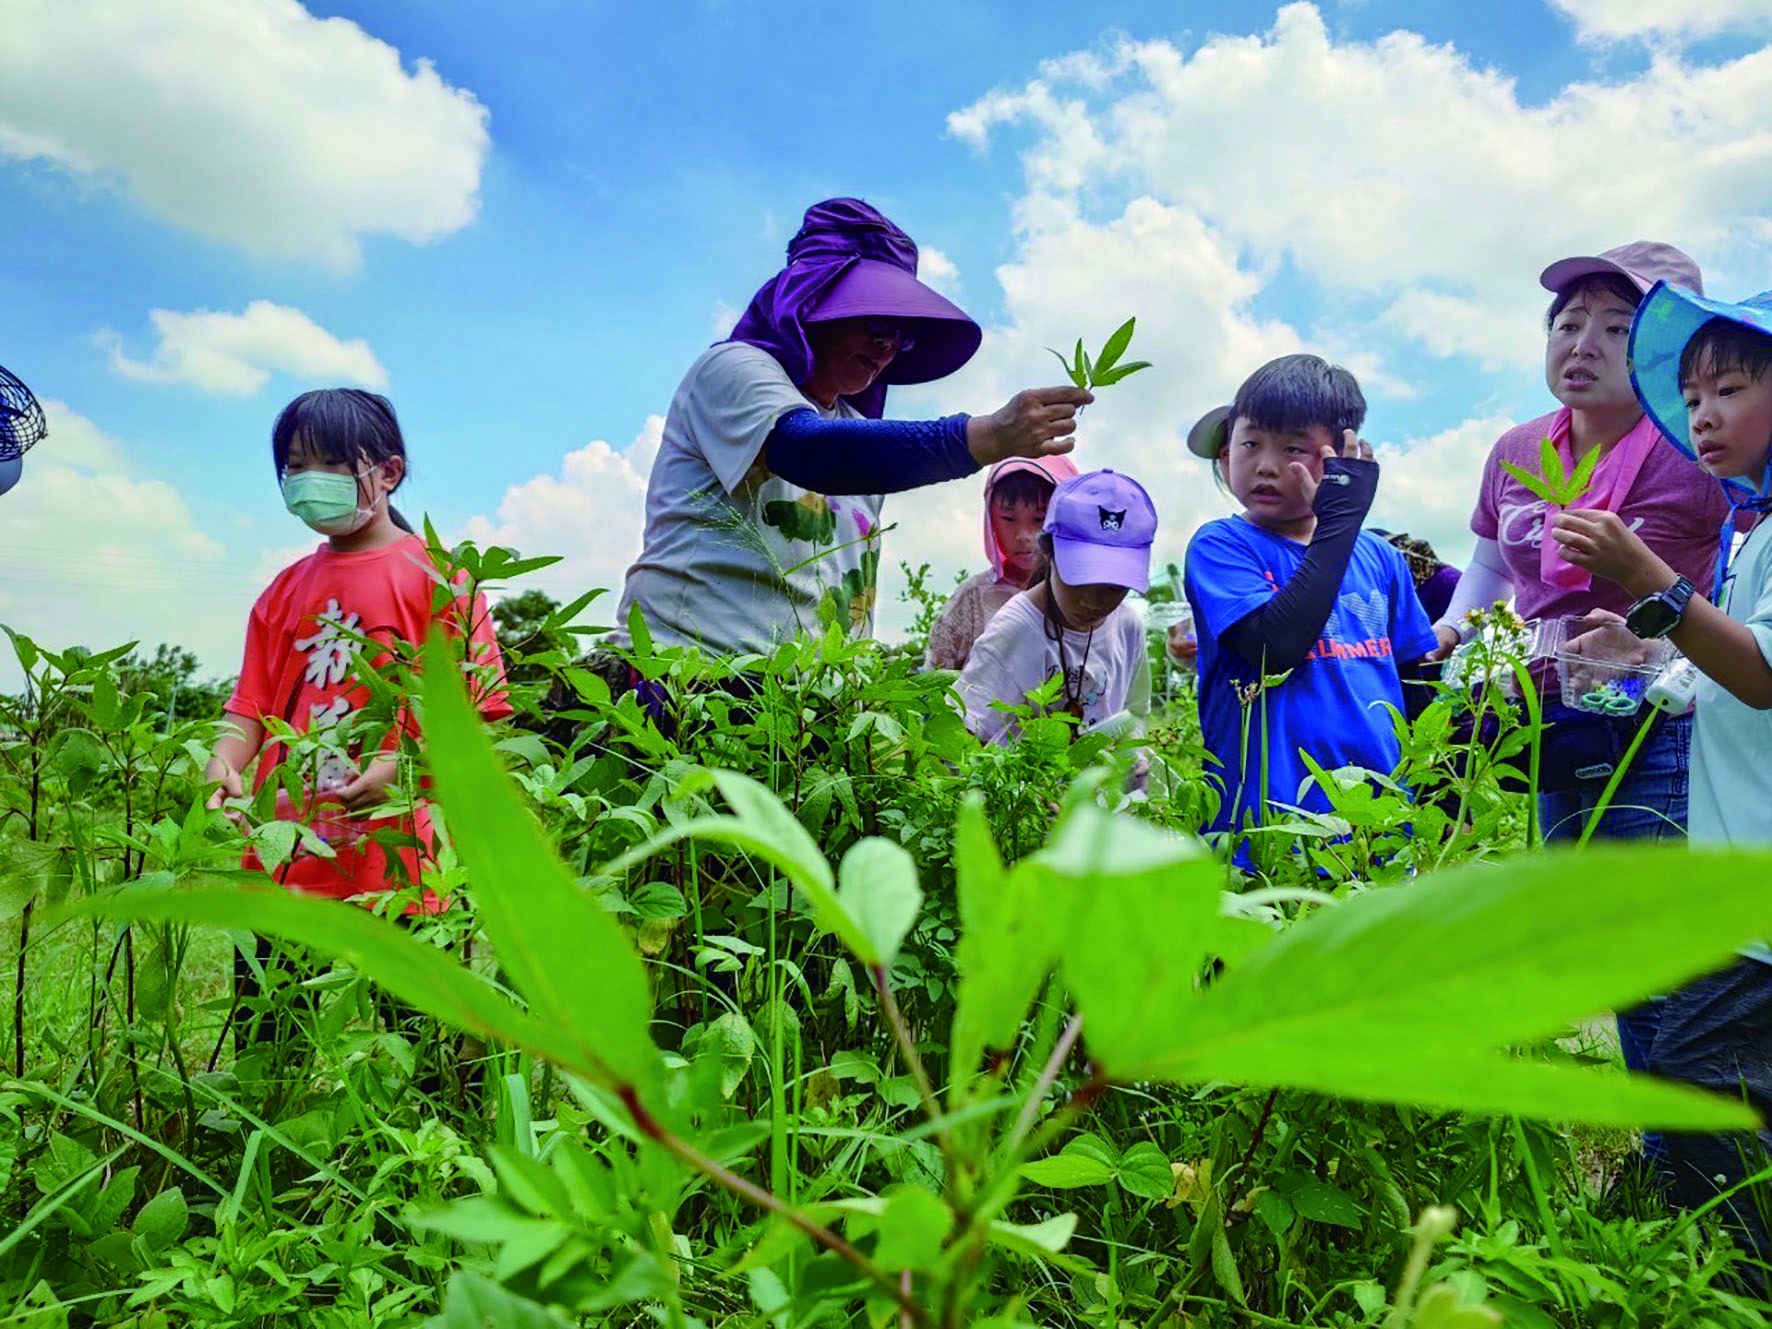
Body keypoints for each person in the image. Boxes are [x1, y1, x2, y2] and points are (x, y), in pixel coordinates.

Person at [613, 199, 1092, 658]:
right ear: (814, 302)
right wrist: (988, 436)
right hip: (685, 678)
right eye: (876, 324)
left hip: (801, 709)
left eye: (900, 336)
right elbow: (807, 451)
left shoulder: (855, 429)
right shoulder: (733, 369)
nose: (887, 349)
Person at [1550, 284, 1772, 1250]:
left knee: (1694, 1084)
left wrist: (1652, 579)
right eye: (1690, 395)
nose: (1704, 414)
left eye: (1729, 387)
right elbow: (1723, 671)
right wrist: (1648, 655)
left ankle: (1729, 1287)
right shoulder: (1751, 531)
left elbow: (1762, 673)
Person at [1430, 242, 1730, 848]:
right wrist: (1451, 631)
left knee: (1635, 926)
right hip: (1548, 716)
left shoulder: (1702, 451)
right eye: (1567, 324)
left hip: (1658, 719)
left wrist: (1654, 645)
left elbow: (1746, 581)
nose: (1582, 345)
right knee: (1573, 916)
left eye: (1619, 328)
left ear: (1673, 350)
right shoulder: (1517, 450)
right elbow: (1492, 559)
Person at [205, 389, 512, 911]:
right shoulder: (283, 591)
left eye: (331, 463)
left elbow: (478, 709)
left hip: (405, 862)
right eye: (297, 465)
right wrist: (220, 763)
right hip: (284, 856)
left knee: (403, 992)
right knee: (272, 991)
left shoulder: (441, 579)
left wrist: (405, 768)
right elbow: (249, 707)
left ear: (389, 473)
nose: (310, 478)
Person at [1184, 355, 1436, 840]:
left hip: (1380, 821)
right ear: (1227, 452)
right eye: (1250, 443)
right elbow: (1272, 647)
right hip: (1266, 826)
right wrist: (1339, 523)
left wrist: (1437, 795)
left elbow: (1417, 679)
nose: (1266, 466)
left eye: (1292, 448)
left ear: (1341, 456)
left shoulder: (1381, 559)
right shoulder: (1220, 546)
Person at [958, 469, 1155, 745]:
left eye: (1114, 588)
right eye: (1079, 578)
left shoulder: (1128, 626)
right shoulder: (1016, 631)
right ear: (1049, 552)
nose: (1093, 602)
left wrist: (1134, 757)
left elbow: (1135, 713)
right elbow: (964, 736)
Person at [924, 455, 1078, 671]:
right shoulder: (973, 597)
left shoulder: (1084, 597)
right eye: (1008, 518)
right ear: (991, 518)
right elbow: (933, 679)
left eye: (1039, 519)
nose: (1024, 536)